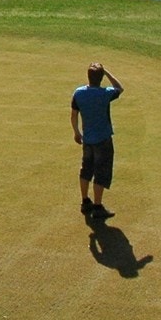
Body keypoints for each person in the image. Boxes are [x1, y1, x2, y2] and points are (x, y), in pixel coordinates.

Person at [71, 62, 124, 221]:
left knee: (86, 169)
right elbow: (119, 88)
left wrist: (76, 132)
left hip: (88, 139)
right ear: (101, 78)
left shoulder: (79, 93)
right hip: (103, 139)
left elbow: (74, 115)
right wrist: (106, 72)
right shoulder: (105, 93)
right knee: (101, 172)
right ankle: (98, 206)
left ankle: (85, 201)